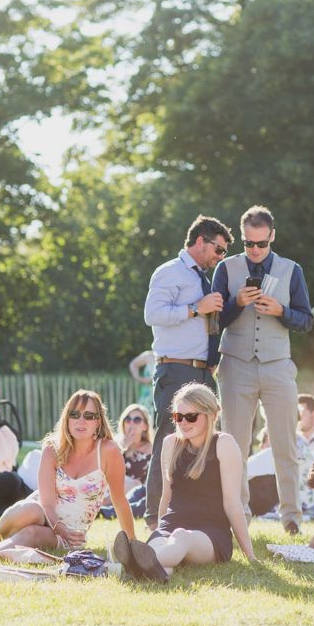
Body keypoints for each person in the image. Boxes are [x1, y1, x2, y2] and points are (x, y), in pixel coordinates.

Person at [212, 205, 313, 535]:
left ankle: (292, 517)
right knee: (235, 447)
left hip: (277, 366)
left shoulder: (291, 270)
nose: (255, 251)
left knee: (285, 445)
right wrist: (236, 303)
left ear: (272, 236)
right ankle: (238, 513)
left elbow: (306, 320)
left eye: (261, 243)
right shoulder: (226, 269)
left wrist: (281, 311)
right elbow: (213, 321)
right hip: (235, 366)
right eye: (248, 244)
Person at [143, 214, 233, 530]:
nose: (220, 257)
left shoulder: (203, 279)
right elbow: (152, 314)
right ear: (200, 241)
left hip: (205, 374)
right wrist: (197, 308)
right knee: (168, 442)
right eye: (218, 249)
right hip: (176, 370)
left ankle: (200, 516)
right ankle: (154, 519)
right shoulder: (170, 272)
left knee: (207, 447)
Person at [114, 383, 256, 581]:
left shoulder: (224, 444)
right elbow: (166, 496)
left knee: (181, 537)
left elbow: (232, 503)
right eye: (178, 417)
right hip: (172, 522)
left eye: (191, 416)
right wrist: (160, 530)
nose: (183, 422)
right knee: (165, 561)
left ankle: (129, 565)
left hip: (210, 532)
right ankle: (149, 569)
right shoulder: (170, 443)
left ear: (210, 414)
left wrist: (250, 555)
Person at [0, 390, 135, 561]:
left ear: (98, 422)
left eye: (89, 415)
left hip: (71, 532)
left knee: (31, 533)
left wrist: (133, 542)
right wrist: (58, 527)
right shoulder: (52, 449)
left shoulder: (108, 451)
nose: (81, 420)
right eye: (75, 414)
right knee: (31, 509)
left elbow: (119, 501)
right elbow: (46, 504)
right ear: (67, 418)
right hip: (43, 513)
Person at [100, 404, 153, 519]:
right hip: (110, 488)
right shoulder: (114, 444)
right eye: (128, 419)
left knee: (137, 486)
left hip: (137, 493)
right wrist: (123, 447)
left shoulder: (152, 449)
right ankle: (105, 506)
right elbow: (103, 468)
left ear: (145, 426)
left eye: (137, 420)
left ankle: (106, 510)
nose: (131, 424)